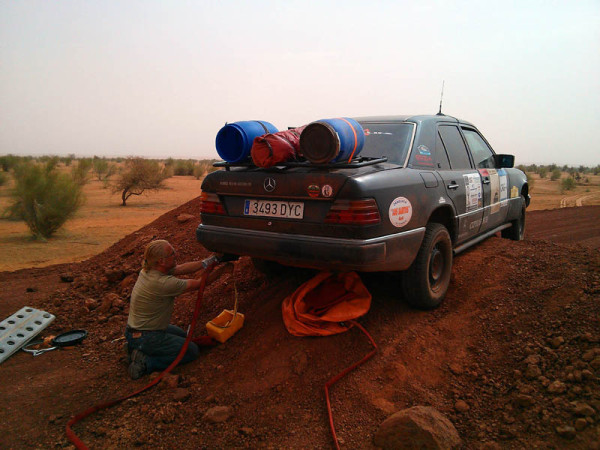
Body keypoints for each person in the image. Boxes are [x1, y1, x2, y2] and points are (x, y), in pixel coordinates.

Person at [125, 239, 233, 379]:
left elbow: (181, 268)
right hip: (147, 336)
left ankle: (134, 348)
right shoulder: (163, 283)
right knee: (191, 351)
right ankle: (146, 362)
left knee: (183, 336)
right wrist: (223, 270)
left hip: (139, 331)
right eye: (172, 253)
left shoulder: (150, 270)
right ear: (161, 261)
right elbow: (200, 284)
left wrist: (213, 259)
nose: (176, 254)